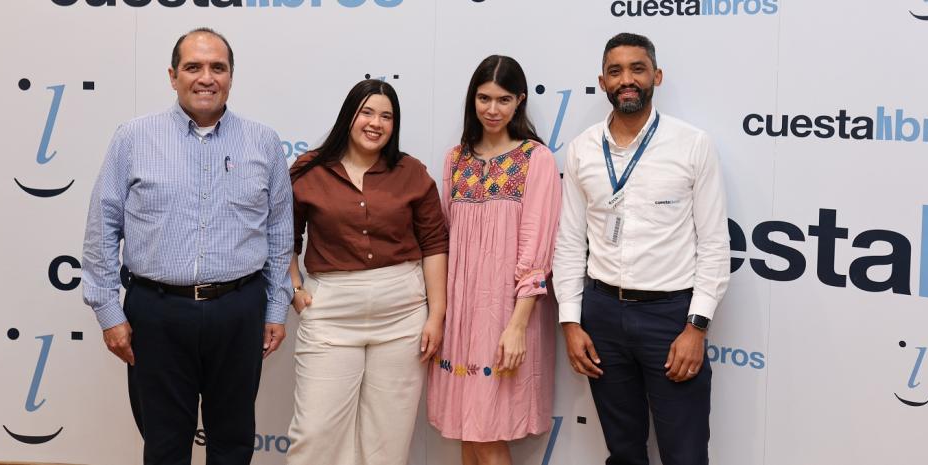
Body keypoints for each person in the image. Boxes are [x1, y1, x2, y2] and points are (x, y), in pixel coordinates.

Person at [81, 27, 293, 465]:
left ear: (232, 76)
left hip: (238, 311)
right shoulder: (133, 138)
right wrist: (107, 310)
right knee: (164, 446)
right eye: (193, 67)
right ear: (173, 75)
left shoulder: (263, 142)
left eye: (218, 67)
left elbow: (278, 234)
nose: (206, 77)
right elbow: (102, 226)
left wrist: (275, 309)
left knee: (233, 443)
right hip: (156, 314)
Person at [553, 33, 730, 465]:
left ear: (657, 76)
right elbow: (570, 242)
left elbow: (713, 244)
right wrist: (570, 322)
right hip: (601, 316)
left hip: (669, 319)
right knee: (624, 451)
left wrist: (697, 328)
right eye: (616, 71)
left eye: (637, 68)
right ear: (602, 81)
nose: (626, 79)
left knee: (685, 454)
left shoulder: (692, 145)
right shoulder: (581, 150)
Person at [284, 79, 449, 465]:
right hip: (330, 313)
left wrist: (436, 315)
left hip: (403, 315)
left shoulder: (411, 172)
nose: (376, 123)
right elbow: (284, 236)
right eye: (367, 112)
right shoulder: (309, 169)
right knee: (314, 435)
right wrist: (294, 287)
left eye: (387, 116)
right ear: (349, 116)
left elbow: (435, 244)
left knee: (386, 443)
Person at [427, 55, 562, 465]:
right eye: (483, 98)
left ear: (520, 101)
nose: (492, 109)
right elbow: (445, 239)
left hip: (508, 314)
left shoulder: (536, 159)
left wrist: (517, 325)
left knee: (487, 434)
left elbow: (538, 250)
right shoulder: (456, 158)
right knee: (469, 432)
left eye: (503, 99)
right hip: (461, 316)